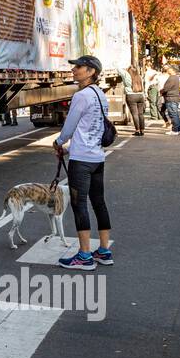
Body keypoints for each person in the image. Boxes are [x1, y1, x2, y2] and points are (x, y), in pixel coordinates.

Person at [53, 55, 113, 270]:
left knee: (80, 205)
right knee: (99, 202)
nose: (74, 70)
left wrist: (58, 143)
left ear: (91, 71)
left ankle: (85, 255)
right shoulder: (100, 95)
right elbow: (92, 128)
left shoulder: (81, 96)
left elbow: (69, 128)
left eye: (79, 67)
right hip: (97, 157)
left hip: (81, 161)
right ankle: (104, 251)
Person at [123, 64, 146, 135]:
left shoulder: (128, 78)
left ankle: (137, 130)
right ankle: (142, 130)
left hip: (131, 96)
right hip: (140, 95)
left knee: (135, 114)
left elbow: (120, 71)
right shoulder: (139, 77)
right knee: (141, 114)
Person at [161, 63, 180, 134]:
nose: (167, 70)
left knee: (173, 114)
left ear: (172, 70)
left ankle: (175, 130)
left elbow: (166, 88)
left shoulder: (172, 78)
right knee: (175, 114)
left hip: (171, 98)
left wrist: (161, 91)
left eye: (169, 69)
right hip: (174, 97)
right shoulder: (176, 77)